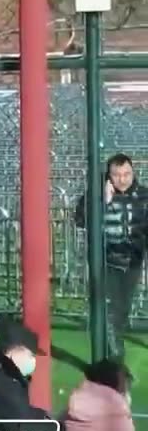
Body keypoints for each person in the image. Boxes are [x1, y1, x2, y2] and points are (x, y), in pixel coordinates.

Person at [75, 153, 148, 360]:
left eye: (127, 174)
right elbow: (80, 219)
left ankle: (112, 354)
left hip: (133, 262)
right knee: (109, 311)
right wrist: (103, 201)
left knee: (122, 311)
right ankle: (115, 358)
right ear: (109, 175)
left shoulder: (144, 196)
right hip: (106, 262)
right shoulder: (96, 195)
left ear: (133, 173)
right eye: (117, 175)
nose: (122, 179)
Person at [0, 320, 55, 431]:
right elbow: (22, 424)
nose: (34, 360)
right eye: (31, 355)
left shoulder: (0, 373)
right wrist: (57, 430)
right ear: (14, 351)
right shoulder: (4, 382)